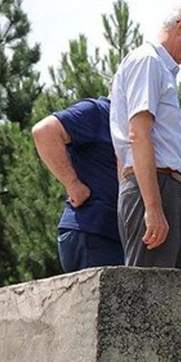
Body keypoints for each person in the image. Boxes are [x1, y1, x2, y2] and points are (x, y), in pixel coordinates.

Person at [109, 1, 181, 269]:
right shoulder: (148, 61)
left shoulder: (157, 67)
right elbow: (138, 135)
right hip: (155, 186)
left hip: (159, 188)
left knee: (166, 293)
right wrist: (153, 207)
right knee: (147, 294)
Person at [32, 97, 124, 272]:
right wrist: (73, 184)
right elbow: (45, 131)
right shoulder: (98, 111)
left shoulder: (131, 123)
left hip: (114, 233)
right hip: (93, 231)